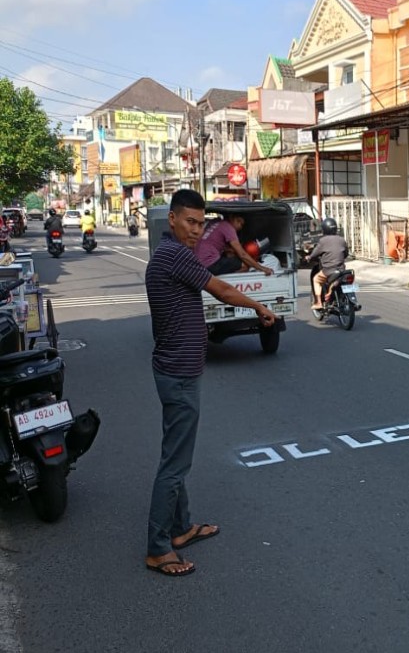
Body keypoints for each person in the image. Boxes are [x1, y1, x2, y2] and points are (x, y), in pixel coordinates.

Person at [143, 189, 277, 577]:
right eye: (190, 222)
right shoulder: (173, 256)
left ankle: (181, 528)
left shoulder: (174, 255)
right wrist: (258, 306)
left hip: (177, 370)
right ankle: (157, 547)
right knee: (174, 464)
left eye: (202, 224)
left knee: (176, 454)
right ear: (172, 219)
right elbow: (220, 288)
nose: (197, 231)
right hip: (178, 374)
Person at [194, 213, 273, 276]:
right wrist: (262, 268)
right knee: (245, 265)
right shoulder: (229, 228)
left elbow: (228, 253)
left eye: (241, 224)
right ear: (231, 217)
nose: (239, 226)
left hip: (197, 262)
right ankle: (225, 283)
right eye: (238, 221)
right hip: (209, 263)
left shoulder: (215, 222)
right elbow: (242, 254)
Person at [307, 217, 349, 310]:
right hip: (342, 270)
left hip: (329, 270)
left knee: (316, 280)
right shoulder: (342, 240)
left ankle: (318, 303)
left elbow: (314, 253)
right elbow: (346, 253)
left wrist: (309, 257)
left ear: (324, 229)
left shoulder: (323, 241)